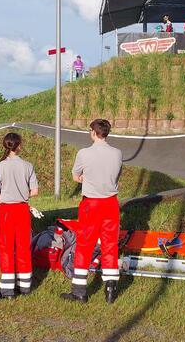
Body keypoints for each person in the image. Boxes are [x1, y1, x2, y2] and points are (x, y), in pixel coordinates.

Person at [62, 118, 122, 305]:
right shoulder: (117, 153)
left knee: (85, 244)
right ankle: (110, 289)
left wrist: (86, 179)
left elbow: (76, 176)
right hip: (111, 203)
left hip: (91, 204)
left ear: (94, 133)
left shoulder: (84, 153)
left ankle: (79, 291)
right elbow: (115, 176)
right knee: (110, 244)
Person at [0, 132, 38, 300]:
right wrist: (22, 194)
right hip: (22, 210)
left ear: (5, 145)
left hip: (5, 211)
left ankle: (7, 290)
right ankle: (25, 287)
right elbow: (35, 191)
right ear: (19, 146)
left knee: (6, 248)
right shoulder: (28, 166)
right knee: (23, 247)